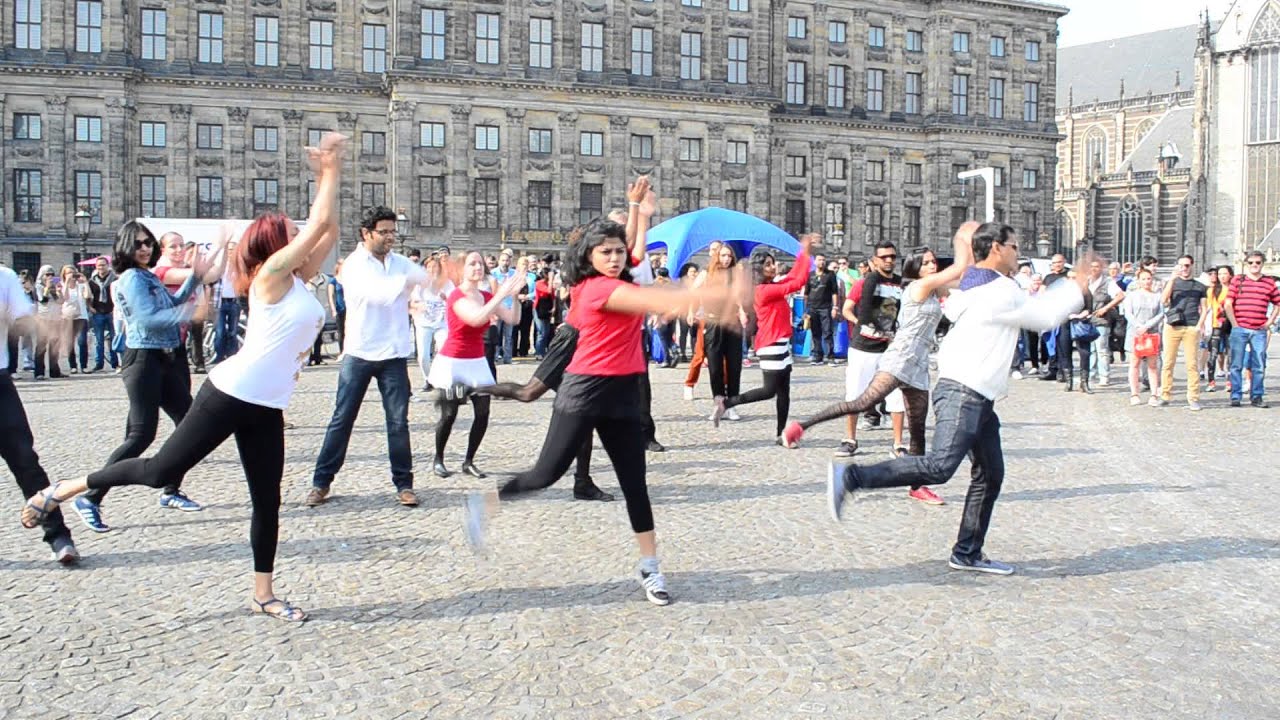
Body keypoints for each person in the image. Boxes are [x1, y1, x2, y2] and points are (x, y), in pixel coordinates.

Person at [22, 132, 348, 622]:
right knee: (160, 471)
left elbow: (329, 228)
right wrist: (329, 170)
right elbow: (318, 223)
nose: (302, 235)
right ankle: (64, 489)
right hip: (230, 393)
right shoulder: (270, 277)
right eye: (291, 231)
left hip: (268, 405)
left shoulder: (300, 279)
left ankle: (262, 594)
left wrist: (330, 178)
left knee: (268, 501)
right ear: (277, 245)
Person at [462, 219, 743, 606]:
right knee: (545, 474)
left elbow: (640, 265)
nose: (614, 258)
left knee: (635, 485)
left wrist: (639, 212)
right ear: (590, 257)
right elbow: (656, 302)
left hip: (623, 394)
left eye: (618, 251)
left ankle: (650, 566)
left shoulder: (621, 282)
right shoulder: (597, 288)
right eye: (605, 252)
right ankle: (485, 503)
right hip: (584, 391)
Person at [827, 223, 1089, 576]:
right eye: (1013, 246)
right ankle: (852, 477)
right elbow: (1043, 317)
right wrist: (1078, 284)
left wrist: (964, 241)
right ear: (996, 248)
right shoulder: (999, 290)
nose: (1018, 253)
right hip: (966, 390)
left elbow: (964, 279)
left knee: (990, 474)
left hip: (977, 394)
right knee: (939, 466)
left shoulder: (977, 284)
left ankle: (967, 552)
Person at [785, 226, 978, 506]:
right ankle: (801, 426)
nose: (932, 265)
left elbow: (966, 278)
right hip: (899, 358)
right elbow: (958, 268)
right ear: (915, 267)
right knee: (863, 402)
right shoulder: (919, 287)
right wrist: (963, 239)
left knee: (918, 429)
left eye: (934, 262)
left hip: (919, 364)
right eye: (926, 262)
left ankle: (917, 486)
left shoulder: (935, 288)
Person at [69, 223, 228, 533]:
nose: (144, 248)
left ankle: (171, 490)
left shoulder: (146, 275)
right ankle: (90, 497)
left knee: (187, 423)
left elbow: (170, 303)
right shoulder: (131, 278)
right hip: (143, 360)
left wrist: (195, 277)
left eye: (147, 243)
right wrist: (190, 314)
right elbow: (149, 319)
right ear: (125, 247)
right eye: (138, 244)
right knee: (141, 436)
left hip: (163, 358)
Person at [306, 206, 428, 508]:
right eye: (383, 232)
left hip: (394, 354)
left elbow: (430, 281)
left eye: (392, 232)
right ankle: (321, 482)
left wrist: (440, 279)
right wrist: (407, 286)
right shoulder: (353, 265)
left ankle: (404, 484)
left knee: (398, 422)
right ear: (366, 233)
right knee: (342, 419)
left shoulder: (400, 263)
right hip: (359, 352)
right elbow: (379, 296)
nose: (390, 237)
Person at [2, 265, 80, 564]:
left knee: (25, 460)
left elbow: (23, 318)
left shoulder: (4, 277)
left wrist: (44, 328)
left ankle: (58, 535)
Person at [428, 252, 523, 479]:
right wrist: (501, 294)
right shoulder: (456, 296)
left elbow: (513, 319)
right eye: (472, 264)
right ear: (462, 269)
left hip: (477, 361)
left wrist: (515, 297)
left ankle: (469, 461)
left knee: (483, 412)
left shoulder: (486, 296)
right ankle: (438, 458)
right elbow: (476, 319)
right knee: (449, 414)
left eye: (480, 263)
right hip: (454, 362)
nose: (478, 267)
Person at [712, 234, 813, 442]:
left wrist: (802, 255)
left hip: (781, 343)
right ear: (758, 269)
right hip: (770, 344)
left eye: (773, 263)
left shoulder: (771, 285)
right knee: (769, 391)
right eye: (768, 264)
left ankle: (781, 435)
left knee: (784, 392)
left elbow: (793, 277)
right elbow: (798, 282)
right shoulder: (763, 291)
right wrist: (805, 252)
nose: (773, 267)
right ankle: (727, 403)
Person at [836, 241, 903, 457]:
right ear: (875, 260)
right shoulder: (865, 283)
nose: (889, 260)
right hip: (863, 346)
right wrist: (862, 324)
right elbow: (849, 309)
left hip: (889, 348)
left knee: (896, 395)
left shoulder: (900, 284)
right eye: (884, 257)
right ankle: (849, 439)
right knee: (855, 393)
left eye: (892, 256)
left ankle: (898, 443)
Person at [1225, 250, 1280, 408]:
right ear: (1246, 264)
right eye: (1251, 262)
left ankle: (1257, 396)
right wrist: (1235, 324)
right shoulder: (1238, 280)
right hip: (1240, 328)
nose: (1254, 265)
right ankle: (1236, 396)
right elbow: (1228, 303)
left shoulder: (1269, 282)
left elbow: (1278, 303)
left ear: (1262, 264)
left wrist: (1269, 322)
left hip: (1259, 330)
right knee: (1236, 364)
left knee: (1259, 365)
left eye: (1257, 262)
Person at [1157, 255, 1207, 410]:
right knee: (1168, 362)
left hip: (1191, 326)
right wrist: (1172, 280)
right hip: (1172, 326)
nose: (1184, 268)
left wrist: (1199, 326)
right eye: (1181, 265)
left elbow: (1205, 308)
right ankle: (1165, 395)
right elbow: (1163, 300)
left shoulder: (1200, 286)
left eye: (1187, 265)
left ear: (1192, 265)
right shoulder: (1172, 283)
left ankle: (1193, 397)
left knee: (1192, 364)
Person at [1120, 268, 1164, 406]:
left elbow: (1161, 313)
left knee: (1152, 365)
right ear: (1138, 281)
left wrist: (1147, 325)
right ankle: (1134, 393)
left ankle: (1154, 394)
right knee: (1134, 364)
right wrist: (1139, 326)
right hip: (1135, 333)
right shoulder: (1132, 295)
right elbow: (1128, 313)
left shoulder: (1157, 296)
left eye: (1148, 278)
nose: (1146, 281)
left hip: (1152, 332)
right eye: (1143, 279)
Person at [409, 256, 452, 396]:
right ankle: (428, 379)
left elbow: (455, 299)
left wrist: (446, 298)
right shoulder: (419, 283)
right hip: (423, 323)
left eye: (435, 267)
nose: (432, 270)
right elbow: (413, 301)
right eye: (429, 267)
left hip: (442, 322)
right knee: (423, 356)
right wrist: (419, 305)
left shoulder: (447, 283)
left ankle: (440, 378)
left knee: (443, 352)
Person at [804, 253, 840, 365]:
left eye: (824, 260)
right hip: (812, 307)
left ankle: (830, 356)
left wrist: (835, 307)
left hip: (826, 307)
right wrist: (805, 310)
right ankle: (817, 356)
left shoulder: (830, 275)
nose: (822, 262)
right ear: (815, 262)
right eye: (819, 260)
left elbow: (834, 292)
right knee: (815, 332)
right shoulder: (810, 275)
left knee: (828, 332)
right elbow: (806, 293)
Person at [86, 257, 118, 372]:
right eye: (99, 265)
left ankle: (115, 363)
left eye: (103, 265)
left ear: (108, 266)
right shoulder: (92, 281)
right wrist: (90, 307)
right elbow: (88, 296)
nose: (101, 267)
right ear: (96, 266)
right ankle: (99, 364)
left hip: (111, 312)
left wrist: (116, 308)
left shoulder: (115, 279)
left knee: (113, 339)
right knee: (99, 340)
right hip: (98, 312)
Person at [32, 265, 63, 380]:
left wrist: (58, 291)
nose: (50, 277)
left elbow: (60, 301)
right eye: (47, 274)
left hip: (55, 318)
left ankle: (55, 371)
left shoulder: (55, 286)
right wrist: (47, 288)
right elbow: (43, 301)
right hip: (43, 319)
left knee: (54, 346)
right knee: (41, 346)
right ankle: (39, 372)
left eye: (52, 274)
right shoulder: (38, 286)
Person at [60, 266, 91, 374]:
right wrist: (67, 282)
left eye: (73, 272)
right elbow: (65, 298)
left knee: (82, 341)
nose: (71, 275)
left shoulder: (80, 285)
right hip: (68, 317)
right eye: (68, 273)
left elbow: (87, 296)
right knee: (69, 342)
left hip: (81, 316)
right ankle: (73, 365)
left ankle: (84, 365)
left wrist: (85, 282)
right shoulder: (62, 285)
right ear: (64, 275)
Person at [327, 260, 346, 357]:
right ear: (338, 266)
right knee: (341, 332)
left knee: (350, 331)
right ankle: (342, 352)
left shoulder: (348, 279)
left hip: (350, 309)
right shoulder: (333, 280)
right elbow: (331, 296)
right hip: (340, 309)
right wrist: (333, 310)